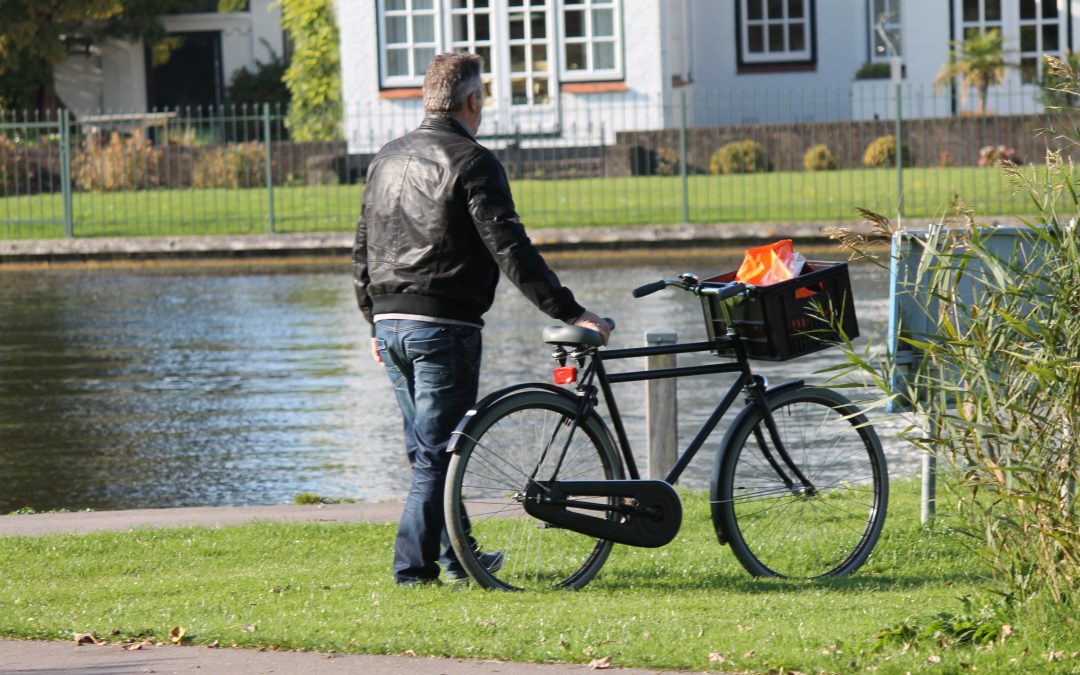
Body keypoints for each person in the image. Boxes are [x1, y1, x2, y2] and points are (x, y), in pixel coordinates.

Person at [352, 52, 610, 586]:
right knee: (435, 454)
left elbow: (363, 247)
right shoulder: (472, 160)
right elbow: (510, 249)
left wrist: (372, 319)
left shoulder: (385, 158)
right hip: (443, 326)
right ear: (473, 101)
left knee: (429, 449)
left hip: (390, 322)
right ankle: (412, 570)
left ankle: (457, 555)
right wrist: (571, 312)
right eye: (483, 101)